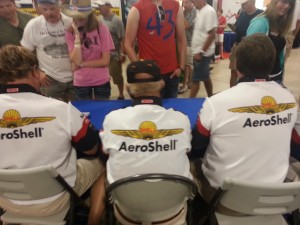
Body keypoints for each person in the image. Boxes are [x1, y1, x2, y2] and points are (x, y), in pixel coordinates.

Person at [0, 45, 106, 225]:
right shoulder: (60, 109)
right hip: (56, 200)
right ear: (35, 71)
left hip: (7, 202)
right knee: (102, 162)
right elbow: (91, 148)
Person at [191, 34, 298, 205]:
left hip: (224, 199)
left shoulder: (216, 103)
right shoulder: (289, 99)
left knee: (191, 164)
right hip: (274, 197)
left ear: (237, 64)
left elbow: (196, 144)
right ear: (272, 64)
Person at [100, 60, 193, 223]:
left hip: (127, 214)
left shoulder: (112, 120)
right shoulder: (181, 120)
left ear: (128, 87)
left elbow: (104, 152)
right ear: (162, 84)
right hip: (172, 214)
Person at [124, 0, 187, 98]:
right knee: (149, 110)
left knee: (170, 109)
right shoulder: (137, 9)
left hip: (172, 73)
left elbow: (182, 39)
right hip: (148, 76)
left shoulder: (175, 6)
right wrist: (141, 70)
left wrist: (181, 67)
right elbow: (128, 44)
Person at [21, 0, 76, 102]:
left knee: (79, 111)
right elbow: (25, 54)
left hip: (75, 77)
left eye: (52, 9)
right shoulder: (33, 25)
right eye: (44, 9)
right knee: (52, 113)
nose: (48, 13)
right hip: (50, 79)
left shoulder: (70, 21)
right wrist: (37, 72)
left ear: (59, 7)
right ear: (39, 8)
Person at [63, 0, 114, 100]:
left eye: (81, 17)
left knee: (102, 109)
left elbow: (105, 61)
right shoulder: (70, 32)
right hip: (81, 81)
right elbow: (75, 61)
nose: (77, 20)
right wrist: (77, 37)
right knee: (84, 112)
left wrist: (82, 64)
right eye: (75, 16)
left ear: (89, 15)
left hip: (101, 80)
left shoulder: (102, 29)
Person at [247, 0, 296, 84]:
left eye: (290, 4)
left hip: (276, 76)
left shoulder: (281, 23)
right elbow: (248, 54)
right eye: (284, 2)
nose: (287, 6)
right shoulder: (260, 23)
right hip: (259, 79)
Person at [96, 0, 126, 100]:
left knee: (117, 77)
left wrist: (122, 53)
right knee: (103, 77)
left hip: (114, 55)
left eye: (102, 6)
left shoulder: (116, 20)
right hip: (102, 55)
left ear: (108, 6)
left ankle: (121, 94)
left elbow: (122, 38)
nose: (99, 8)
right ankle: (105, 94)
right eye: (99, 6)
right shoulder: (98, 20)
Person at [229, 0, 263, 87]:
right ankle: (233, 92)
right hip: (237, 47)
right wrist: (233, 28)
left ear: (253, 1)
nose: (242, 5)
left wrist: (249, 39)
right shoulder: (242, 14)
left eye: (245, 3)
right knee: (234, 72)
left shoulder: (261, 15)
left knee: (248, 74)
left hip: (251, 50)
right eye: (242, 4)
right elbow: (237, 27)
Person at [189, 0, 217, 98]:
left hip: (203, 54)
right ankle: (211, 97)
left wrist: (201, 52)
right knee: (205, 77)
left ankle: (189, 102)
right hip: (198, 52)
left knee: (195, 80)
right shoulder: (198, 11)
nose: (193, 2)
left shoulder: (209, 11)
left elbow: (212, 35)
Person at [178, 0, 196, 94]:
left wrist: (180, 15)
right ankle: (188, 82)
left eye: (187, 2)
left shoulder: (194, 13)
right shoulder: (183, 12)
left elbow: (187, 25)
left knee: (187, 64)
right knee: (186, 63)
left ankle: (186, 83)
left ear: (192, 3)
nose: (185, 4)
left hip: (190, 41)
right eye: (184, 2)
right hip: (181, 40)